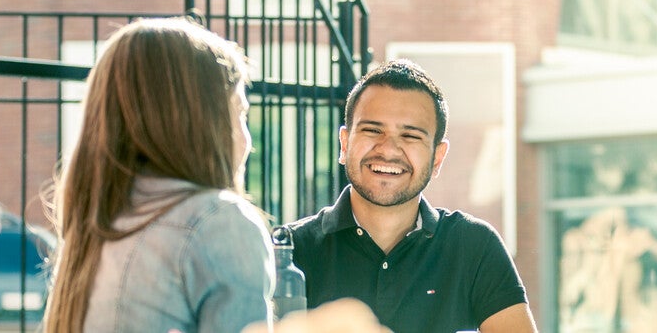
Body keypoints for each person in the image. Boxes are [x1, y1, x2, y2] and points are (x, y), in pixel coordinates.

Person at [41, 18, 273, 333]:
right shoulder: (219, 223)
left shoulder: (96, 229)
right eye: (240, 113)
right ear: (199, 119)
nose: (248, 141)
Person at [281, 59, 537, 333]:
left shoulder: (474, 246)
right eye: (372, 130)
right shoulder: (289, 251)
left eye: (411, 136)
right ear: (344, 144)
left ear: (437, 157)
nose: (388, 149)